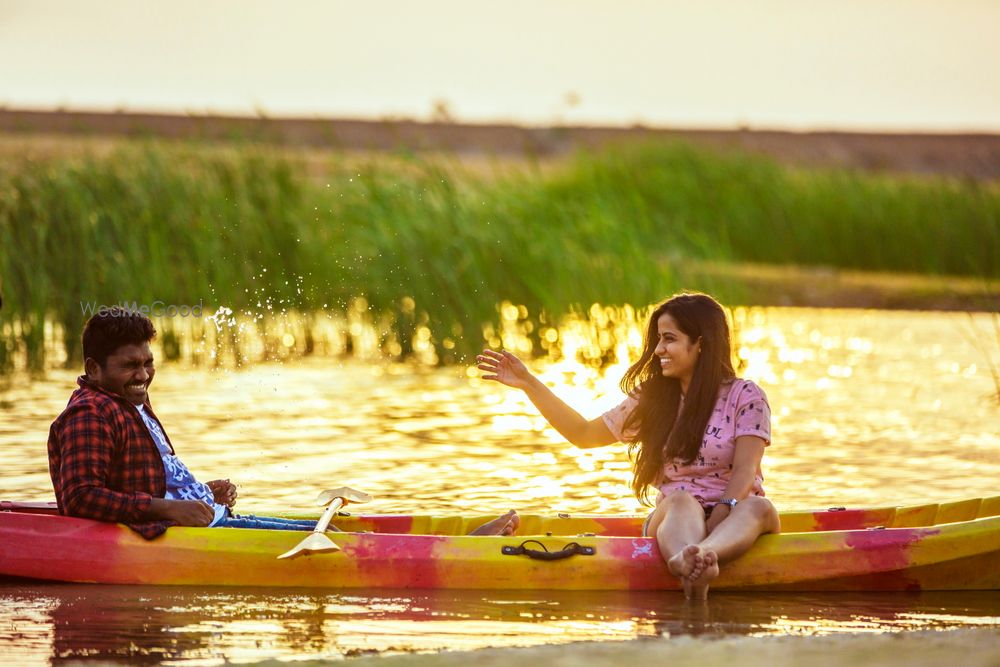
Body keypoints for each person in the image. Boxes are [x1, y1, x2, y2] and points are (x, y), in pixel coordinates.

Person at [48, 308, 519, 540]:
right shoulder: (91, 411)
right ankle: (461, 546)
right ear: (93, 368)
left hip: (205, 522)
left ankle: (453, 541)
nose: (144, 374)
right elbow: (79, 498)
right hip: (175, 536)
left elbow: (145, 479)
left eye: (148, 362)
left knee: (327, 531)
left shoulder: (129, 404)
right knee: (322, 540)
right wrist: (168, 510)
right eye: (131, 365)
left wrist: (201, 493)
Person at [477, 292, 779, 599]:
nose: (659, 349)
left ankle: (702, 557)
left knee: (759, 506)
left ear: (701, 343)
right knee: (680, 500)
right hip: (675, 521)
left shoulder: (746, 395)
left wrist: (722, 512)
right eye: (659, 339)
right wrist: (529, 383)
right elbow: (583, 433)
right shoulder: (654, 399)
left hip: (734, 520)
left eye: (669, 339)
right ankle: (684, 561)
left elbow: (746, 468)